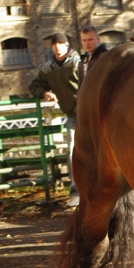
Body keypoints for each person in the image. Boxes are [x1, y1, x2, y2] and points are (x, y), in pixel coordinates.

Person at [29, 32, 81, 208]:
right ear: (51, 47)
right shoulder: (48, 68)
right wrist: (44, 93)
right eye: (54, 44)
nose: (57, 46)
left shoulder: (79, 63)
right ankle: (76, 191)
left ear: (67, 46)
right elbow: (34, 85)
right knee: (73, 150)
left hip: (89, 113)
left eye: (61, 43)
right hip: (72, 116)